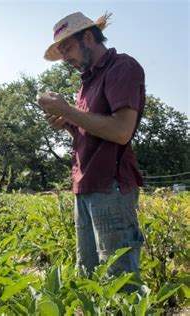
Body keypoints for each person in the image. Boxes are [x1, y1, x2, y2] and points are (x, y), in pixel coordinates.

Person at [37, 12, 145, 287]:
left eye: (68, 48)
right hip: (85, 185)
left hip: (111, 187)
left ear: (87, 37)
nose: (66, 58)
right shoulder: (86, 83)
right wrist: (68, 122)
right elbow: (93, 131)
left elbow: (121, 131)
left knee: (118, 281)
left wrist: (70, 111)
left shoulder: (122, 68)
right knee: (89, 276)